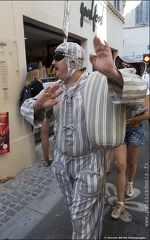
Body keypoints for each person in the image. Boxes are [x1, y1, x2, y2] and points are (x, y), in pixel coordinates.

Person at [20, 36, 147, 239]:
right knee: (77, 213)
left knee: (79, 218)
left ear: (72, 61)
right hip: (62, 164)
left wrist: (112, 73)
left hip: (88, 163)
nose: (52, 62)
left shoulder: (97, 84)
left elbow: (139, 92)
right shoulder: (54, 88)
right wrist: (37, 105)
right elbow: (25, 107)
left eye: (57, 57)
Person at [110, 57, 150, 219]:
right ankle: (120, 203)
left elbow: (147, 113)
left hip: (134, 130)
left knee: (132, 162)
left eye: (131, 67)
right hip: (119, 131)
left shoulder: (143, 88)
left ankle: (131, 182)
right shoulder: (115, 87)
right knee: (120, 166)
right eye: (125, 66)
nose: (127, 69)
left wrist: (130, 120)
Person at [24, 62, 53, 167]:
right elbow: (44, 99)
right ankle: (46, 160)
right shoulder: (38, 84)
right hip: (42, 112)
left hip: (34, 113)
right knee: (45, 137)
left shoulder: (27, 84)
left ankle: (49, 155)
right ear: (37, 71)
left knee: (42, 136)